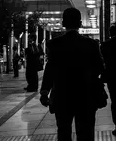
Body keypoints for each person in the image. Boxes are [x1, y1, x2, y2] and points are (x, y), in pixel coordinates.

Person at [39, 8, 104, 141]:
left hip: (62, 96)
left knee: (63, 132)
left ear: (63, 23)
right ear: (80, 23)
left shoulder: (54, 44)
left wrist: (45, 91)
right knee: (86, 133)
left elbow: (50, 70)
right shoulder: (91, 44)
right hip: (86, 95)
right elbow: (99, 68)